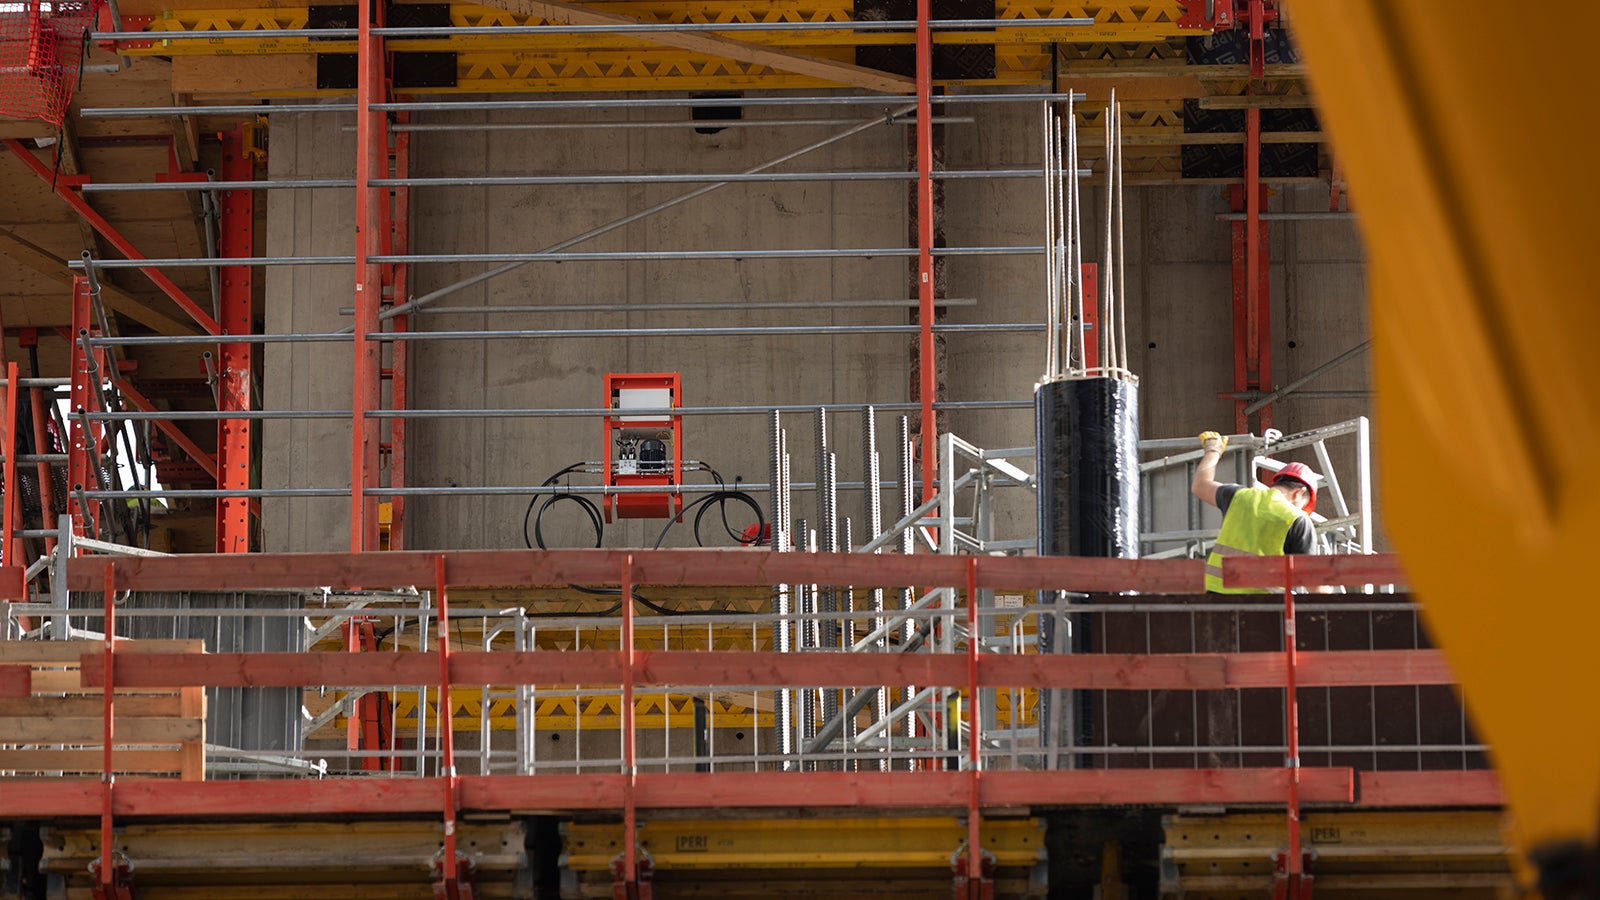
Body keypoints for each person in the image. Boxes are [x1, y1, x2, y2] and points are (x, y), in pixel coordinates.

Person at [1190, 430, 1320, 593]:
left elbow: (1200, 485)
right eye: (1302, 505)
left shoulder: (1239, 496)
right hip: (1259, 609)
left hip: (1214, 600)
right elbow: (1315, 584)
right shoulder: (1297, 519)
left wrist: (1213, 450)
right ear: (1299, 493)